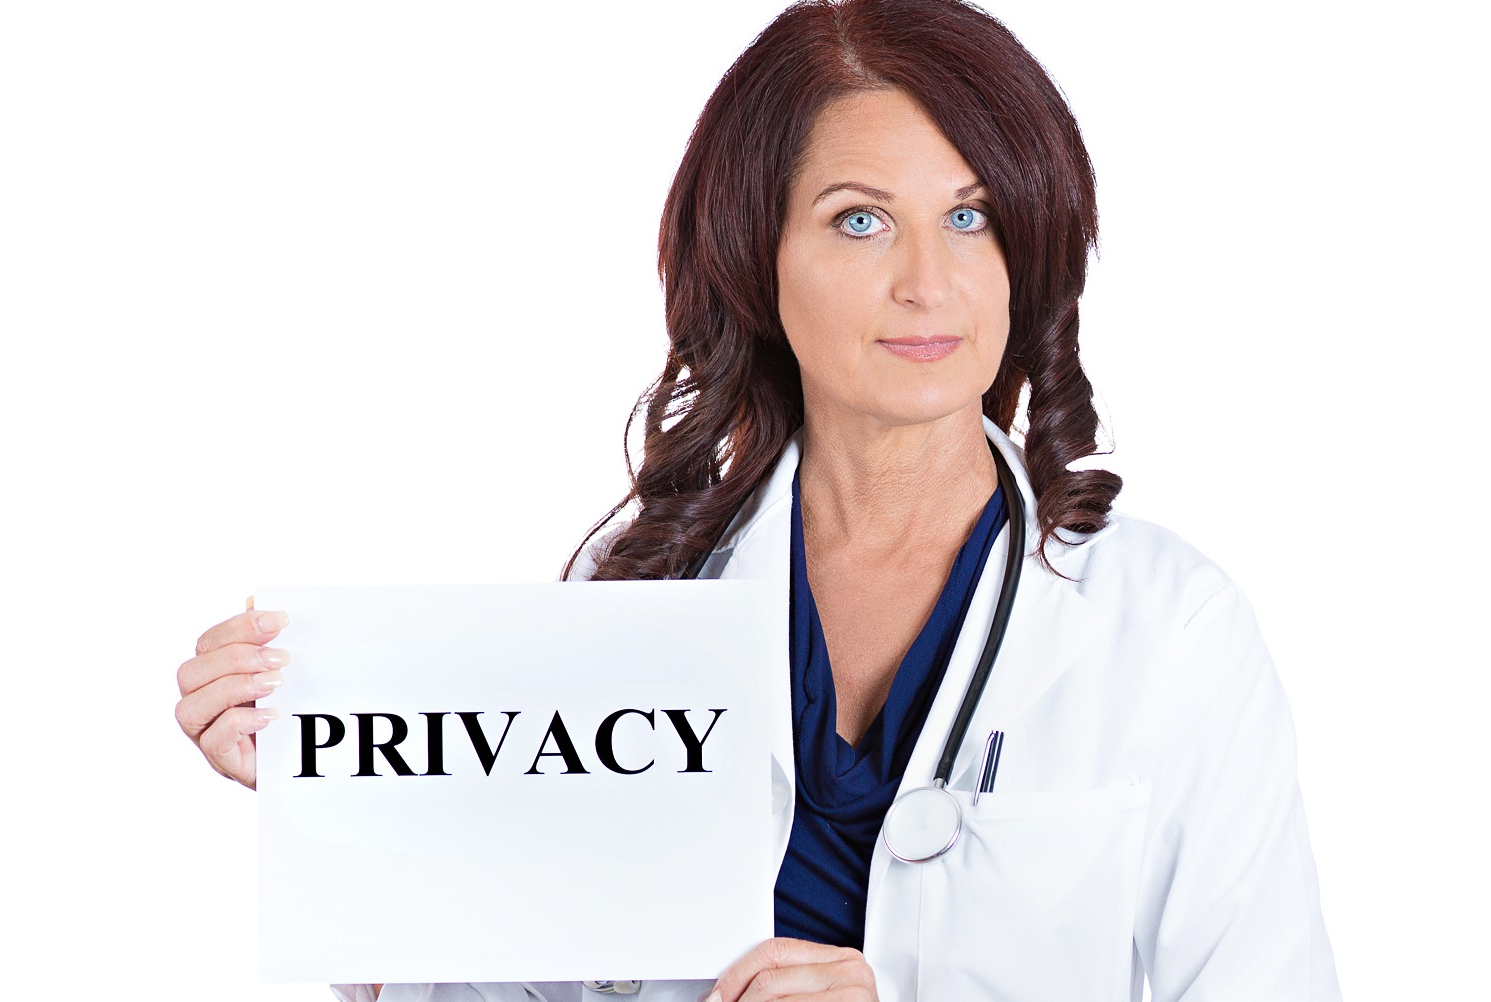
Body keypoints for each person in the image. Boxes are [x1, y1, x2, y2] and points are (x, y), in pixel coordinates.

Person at [174, 0, 1343, 998]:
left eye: (972, 216)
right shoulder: (636, 591)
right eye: (860, 220)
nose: (927, 281)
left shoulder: (1170, 632)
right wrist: (338, 802)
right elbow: (524, 972)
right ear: (758, 253)